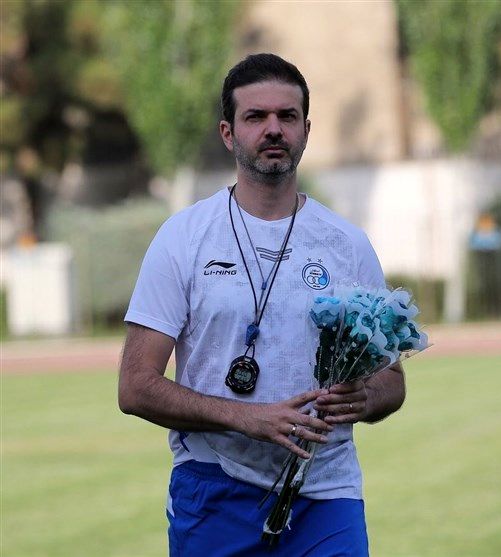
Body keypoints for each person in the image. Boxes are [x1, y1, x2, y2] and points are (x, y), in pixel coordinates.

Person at [118, 53, 405, 556]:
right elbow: (136, 386)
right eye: (256, 117)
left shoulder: (346, 243)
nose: (274, 129)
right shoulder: (184, 237)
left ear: (306, 130)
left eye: (287, 116)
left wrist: (365, 398)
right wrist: (247, 417)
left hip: (326, 492)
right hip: (213, 488)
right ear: (228, 133)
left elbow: (392, 381)